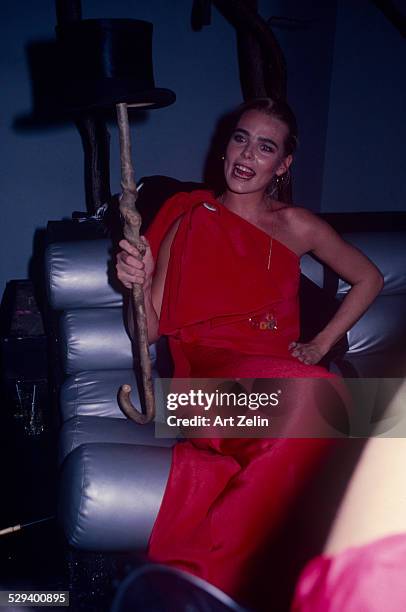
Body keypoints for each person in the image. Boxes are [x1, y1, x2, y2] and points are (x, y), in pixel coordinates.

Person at [116, 98, 383, 609]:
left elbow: (368, 277)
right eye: (241, 138)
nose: (247, 154)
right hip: (199, 393)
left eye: (266, 147)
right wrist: (140, 281)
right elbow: (146, 332)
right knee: (323, 401)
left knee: (367, 421)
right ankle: (210, 588)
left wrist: (322, 344)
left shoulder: (299, 225)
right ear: (225, 145)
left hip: (277, 383)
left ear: (283, 165)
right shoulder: (186, 217)